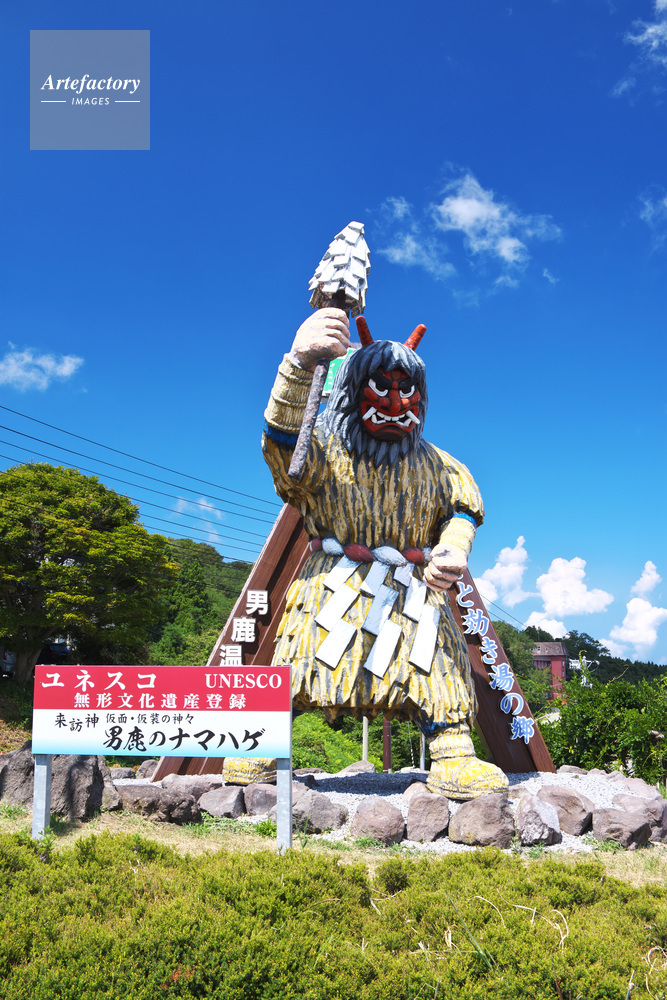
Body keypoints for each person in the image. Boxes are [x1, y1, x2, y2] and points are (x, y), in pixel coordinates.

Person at [232, 307, 508, 799]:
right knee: (301, 664)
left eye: (408, 391)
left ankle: (452, 749)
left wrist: (452, 548)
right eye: (381, 388)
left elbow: (462, 512)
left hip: (413, 592)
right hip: (332, 584)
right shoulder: (325, 450)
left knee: (435, 668)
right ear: (352, 390)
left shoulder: (442, 466)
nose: (396, 402)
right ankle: (261, 744)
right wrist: (298, 364)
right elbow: (285, 447)